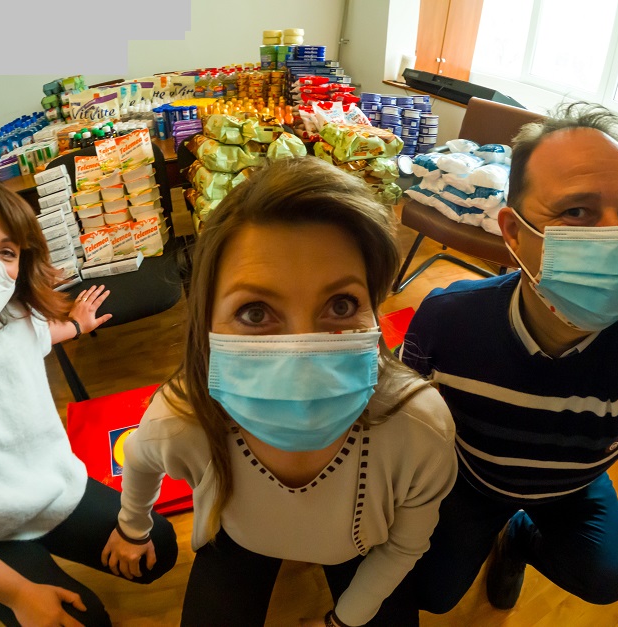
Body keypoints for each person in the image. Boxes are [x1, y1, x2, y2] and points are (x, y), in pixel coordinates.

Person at [400, 102, 618, 612]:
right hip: (471, 480)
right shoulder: (449, 318)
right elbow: (402, 412)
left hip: (571, 489)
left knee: (606, 578)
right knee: (432, 596)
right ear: (512, 232)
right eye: (577, 211)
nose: (613, 235)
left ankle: (519, 540)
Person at [100, 157, 457, 627]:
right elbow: (142, 462)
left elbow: (406, 544)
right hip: (237, 537)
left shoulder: (418, 428)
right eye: (255, 313)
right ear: (206, 321)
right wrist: (132, 526)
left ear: (374, 311)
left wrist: (345, 619)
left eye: (341, 304)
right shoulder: (182, 418)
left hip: (361, 543)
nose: (300, 357)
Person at [0, 179, 178, 627]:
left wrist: (78, 327)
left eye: (7, 251)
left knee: (157, 548)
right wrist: (19, 595)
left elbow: (36, 338)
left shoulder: (14, 313)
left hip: (57, 491)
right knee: (82, 620)